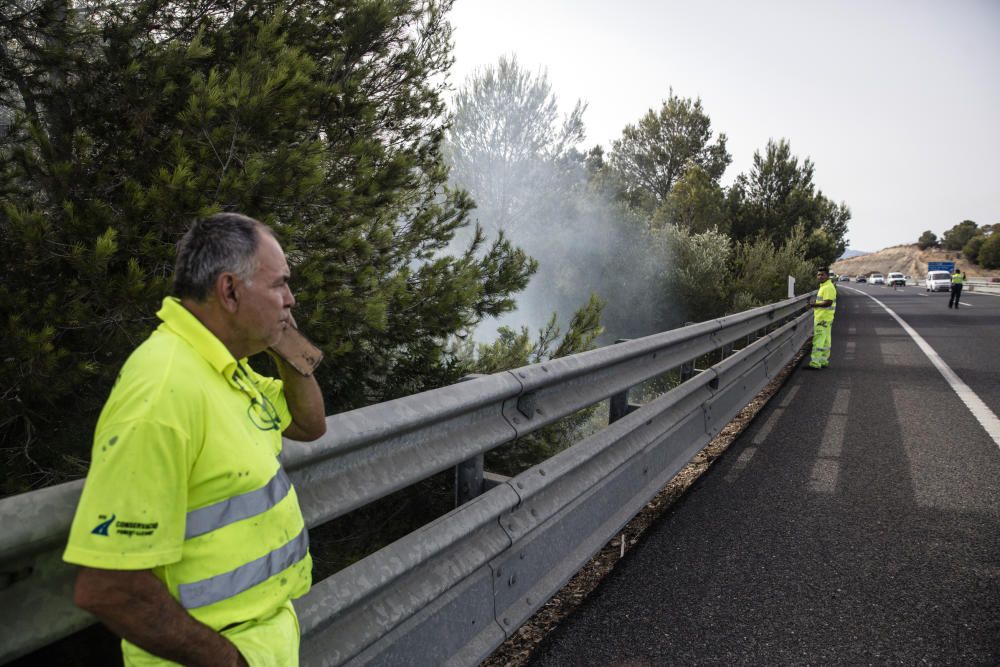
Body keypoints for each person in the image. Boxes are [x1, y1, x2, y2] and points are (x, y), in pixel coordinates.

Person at [63, 213, 327, 667]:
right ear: (229, 291)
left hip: (262, 640)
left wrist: (286, 341)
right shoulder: (162, 392)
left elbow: (309, 425)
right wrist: (230, 662)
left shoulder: (226, 368)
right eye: (280, 285)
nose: (291, 298)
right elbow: (108, 586)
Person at [807, 267, 837, 369]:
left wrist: (814, 305)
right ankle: (823, 361)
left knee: (818, 340)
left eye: (822, 274)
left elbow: (828, 302)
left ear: (827, 276)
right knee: (826, 340)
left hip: (822, 318)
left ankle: (815, 363)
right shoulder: (825, 286)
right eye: (818, 275)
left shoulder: (827, 287)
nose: (820, 276)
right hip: (827, 318)